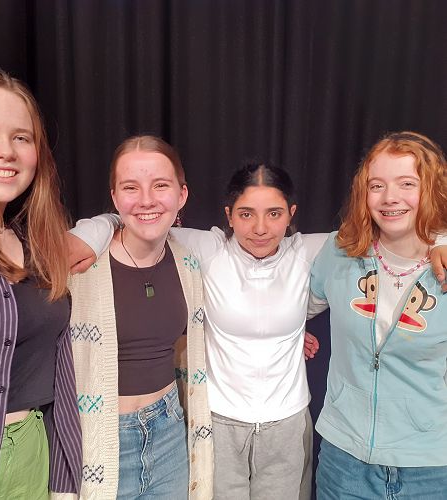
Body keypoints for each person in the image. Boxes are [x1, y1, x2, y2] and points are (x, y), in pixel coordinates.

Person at [69, 157, 447, 500]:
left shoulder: (312, 251)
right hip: (218, 421)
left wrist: (441, 239)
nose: (261, 228)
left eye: (274, 214)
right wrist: (93, 230)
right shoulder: (208, 249)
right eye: (247, 214)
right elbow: (142, 218)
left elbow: (391, 229)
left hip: (287, 424)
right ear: (229, 215)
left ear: (291, 214)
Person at [0, 70, 82, 499]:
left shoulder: (38, 247)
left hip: (31, 459)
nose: (5, 151)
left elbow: (60, 374)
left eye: (21, 138)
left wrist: (64, 483)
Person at [67, 135, 213, 499]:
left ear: (181, 195)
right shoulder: (79, 265)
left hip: (169, 432)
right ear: (115, 198)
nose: (147, 200)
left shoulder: (189, 262)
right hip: (100, 437)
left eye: (160, 185)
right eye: (131, 187)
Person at [309, 131, 447, 499]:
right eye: (377, 185)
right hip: (344, 460)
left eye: (407, 183)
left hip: (431, 467)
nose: (390, 198)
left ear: (431, 189)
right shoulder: (339, 251)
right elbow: (290, 304)